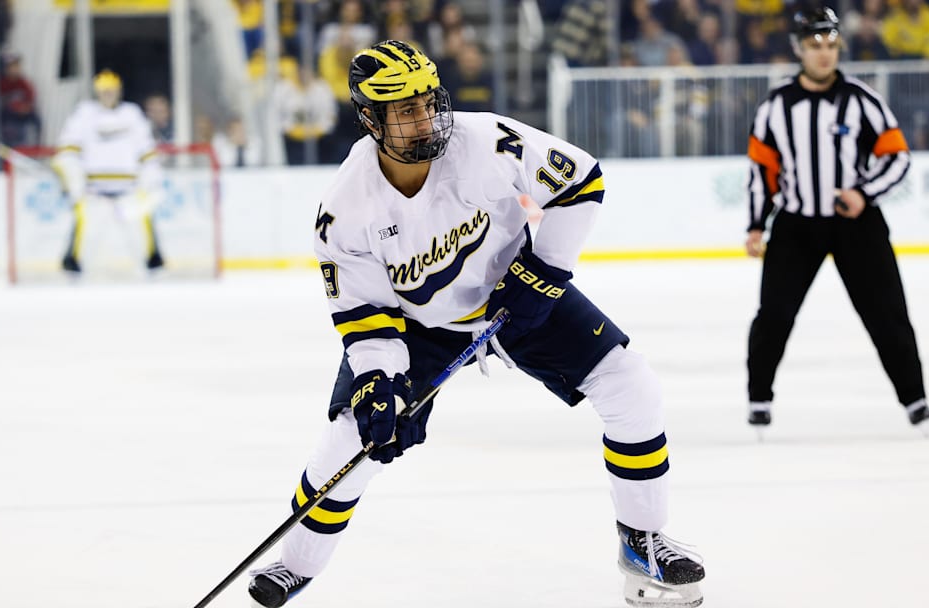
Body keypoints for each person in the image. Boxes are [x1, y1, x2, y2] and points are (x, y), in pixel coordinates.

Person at [246, 40, 705, 608]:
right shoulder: (344, 210)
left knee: (630, 384)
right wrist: (378, 382)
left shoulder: (485, 140)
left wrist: (542, 274)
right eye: (404, 110)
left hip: (517, 292)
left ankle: (642, 541)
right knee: (353, 438)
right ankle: (294, 565)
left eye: (427, 102)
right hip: (419, 326)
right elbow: (366, 315)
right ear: (370, 118)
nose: (424, 119)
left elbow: (581, 180)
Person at [744, 7, 929, 430]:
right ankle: (759, 399)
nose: (824, 54)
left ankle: (914, 399)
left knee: (887, 314)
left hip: (857, 226)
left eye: (830, 44)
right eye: (815, 45)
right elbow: (761, 173)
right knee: (774, 315)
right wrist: (756, 224)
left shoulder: (863, 101)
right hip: (796, 226)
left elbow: (898, 157)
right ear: (799, 49)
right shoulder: (776, 107)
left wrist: (863, 193)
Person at [53, 69, 164, 273]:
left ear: (118, 91)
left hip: (128, 189)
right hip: (94, 190)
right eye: (104, 91)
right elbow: (67, 152)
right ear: (97, 92)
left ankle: (154, 268)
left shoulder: (132, 114)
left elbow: (147, 152)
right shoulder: (84, 114)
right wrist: (73, 179)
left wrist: (151, 180)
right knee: (84, 239)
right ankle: (72, 272)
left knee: (142, 236)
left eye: (111, 91)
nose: (108, 95)